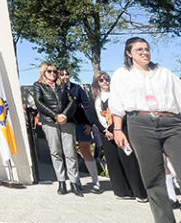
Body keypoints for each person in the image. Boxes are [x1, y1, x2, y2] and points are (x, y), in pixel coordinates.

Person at [111, 37, 181, 223]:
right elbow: (116, 104)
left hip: (171, 123)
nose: (145, 52)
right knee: (153, 178)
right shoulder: (121, 74)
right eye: (139, 49)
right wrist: (118, 129)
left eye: (147, 49)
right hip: (140, 124)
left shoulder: (164, 73)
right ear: (129, 53)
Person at [89, 70, 147, 202]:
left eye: (107, 79)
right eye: (102, 80)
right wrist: (104, 130)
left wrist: (112, 129)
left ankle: (139, 192)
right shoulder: (94, 98)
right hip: (105, 134)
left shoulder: (117, 94)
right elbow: (92, 115)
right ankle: (121, 191)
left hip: (121, 130)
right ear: (96, 83)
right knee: (113, 161)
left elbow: (122, 112)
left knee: (129, 159)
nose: (105, 82)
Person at [32, 62, 82, 196]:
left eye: (55, 71)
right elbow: (39, 102)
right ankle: (61, 181)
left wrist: (64, 115)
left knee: (70, 151)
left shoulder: (63, 86)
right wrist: (55, 115)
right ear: (43, 72)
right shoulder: (39, 86)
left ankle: (74, 181)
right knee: (56, 151)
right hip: (50, 122)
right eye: (49, 71)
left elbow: (72, 102)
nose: (53, 74)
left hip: (67, 121)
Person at [58, 68, 101, 192]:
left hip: (81, 124)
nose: (65, 76)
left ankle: (95, 181)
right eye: (62, 74)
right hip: (66, 125)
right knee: (69, 152)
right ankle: (75, 181)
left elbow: (87, 106)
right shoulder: (56, 90)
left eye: (67, 74)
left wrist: (89, 123)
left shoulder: (77, 89)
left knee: (85, 150)